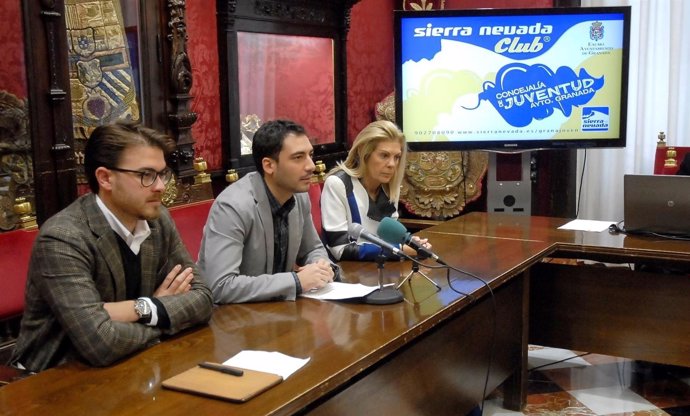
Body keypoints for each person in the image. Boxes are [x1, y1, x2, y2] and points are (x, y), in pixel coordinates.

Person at [10, 122, 213, 373]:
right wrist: (164, 312)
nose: (160, 186)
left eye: (162, 174)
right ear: (105, 178)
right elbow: (100, 343)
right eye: (146, 175)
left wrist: (146, 308)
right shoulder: (62, 238)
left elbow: (203, 299)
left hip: (134, 362)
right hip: (54, 376)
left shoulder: (158, 220)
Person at [198, 119, 336, 304]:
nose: (311, 165)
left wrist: (320, 265)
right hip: (233, 320)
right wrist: (296, 281)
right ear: (269, 165)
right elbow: (220, 286)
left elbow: (312, 248)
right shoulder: (232, 206)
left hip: (280, 311)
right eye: (298, 157)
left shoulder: (299, 196)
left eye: (310, 155)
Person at [320, 120, 429, 261]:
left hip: (382, 269)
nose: (392, 164)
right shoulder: (338, 184)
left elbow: (388, 239)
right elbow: (340, 249)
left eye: (397, 157)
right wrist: (400, 250)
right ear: (363, 153)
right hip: (349, 274)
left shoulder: (389, 185)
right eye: (384, 155)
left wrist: (411, 244)